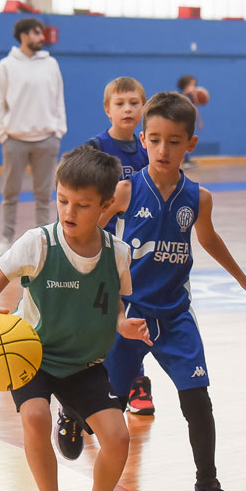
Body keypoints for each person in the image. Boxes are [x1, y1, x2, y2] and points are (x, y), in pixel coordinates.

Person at [0, 146, 150, 491]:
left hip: (84, 362)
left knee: (118, 437)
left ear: (104, 207)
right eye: (63, 200)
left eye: (82, 205)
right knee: (33, 416)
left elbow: (113, 305)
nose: (68, 211)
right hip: (31, 355)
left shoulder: (117, 253)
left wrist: (124, 324)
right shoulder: (38, 244)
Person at [99, 92, 246, 491]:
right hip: (129, 316)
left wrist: (243, 279)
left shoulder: (199, 197)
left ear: (190, 144)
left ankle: (207, 487)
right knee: (109, 408)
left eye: (174, 141)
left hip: (175, 315)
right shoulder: (124, 191)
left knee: (198, 400)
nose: (163, 150)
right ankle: (79, 427)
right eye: (155, 140)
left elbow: (209, 239)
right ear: (142, 139)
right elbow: (92, 234)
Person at [55, 78, 152, 460]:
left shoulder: (150, 148)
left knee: (142, 322)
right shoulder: (95, 149)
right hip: (98, 254)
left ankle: (137, 383)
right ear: (107, 110)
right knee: (98, 328)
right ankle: (74, 405)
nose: (128, 109)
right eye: (120, 103)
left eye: (134, 103)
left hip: (141, 254)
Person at [0, 17, 67, 261]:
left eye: (41, 33)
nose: (41, 37)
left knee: (44, 195)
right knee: (10, 193)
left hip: (46, 139)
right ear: (23, 35)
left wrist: (58, 130)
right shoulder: (6, 66)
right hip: (15, 140)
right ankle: (6, 240)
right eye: (36, 33)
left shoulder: (51, 64)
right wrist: (2, 134)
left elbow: (59, 98)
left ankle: (44, 241)